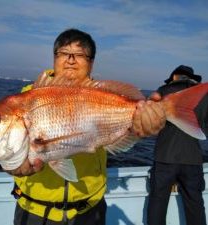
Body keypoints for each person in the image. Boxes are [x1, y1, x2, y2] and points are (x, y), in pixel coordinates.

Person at [9, 28, 166, 225]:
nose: (71, 60)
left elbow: (131, 130)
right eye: (64, 53)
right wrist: (11, 166)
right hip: (34, 211)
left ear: (91, 63)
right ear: (54, 58)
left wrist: (144, 124)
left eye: (80, 55)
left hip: (89, 210)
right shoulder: (24, 100)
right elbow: (4, 148)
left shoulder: (103, 95)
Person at [147, 65, 208, 225]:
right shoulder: (203, 94)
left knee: (157, 202)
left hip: (165, 157)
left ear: (174, 77)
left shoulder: (163, 91)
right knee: (195, 204)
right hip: (192, 159)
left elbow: (149, 122)